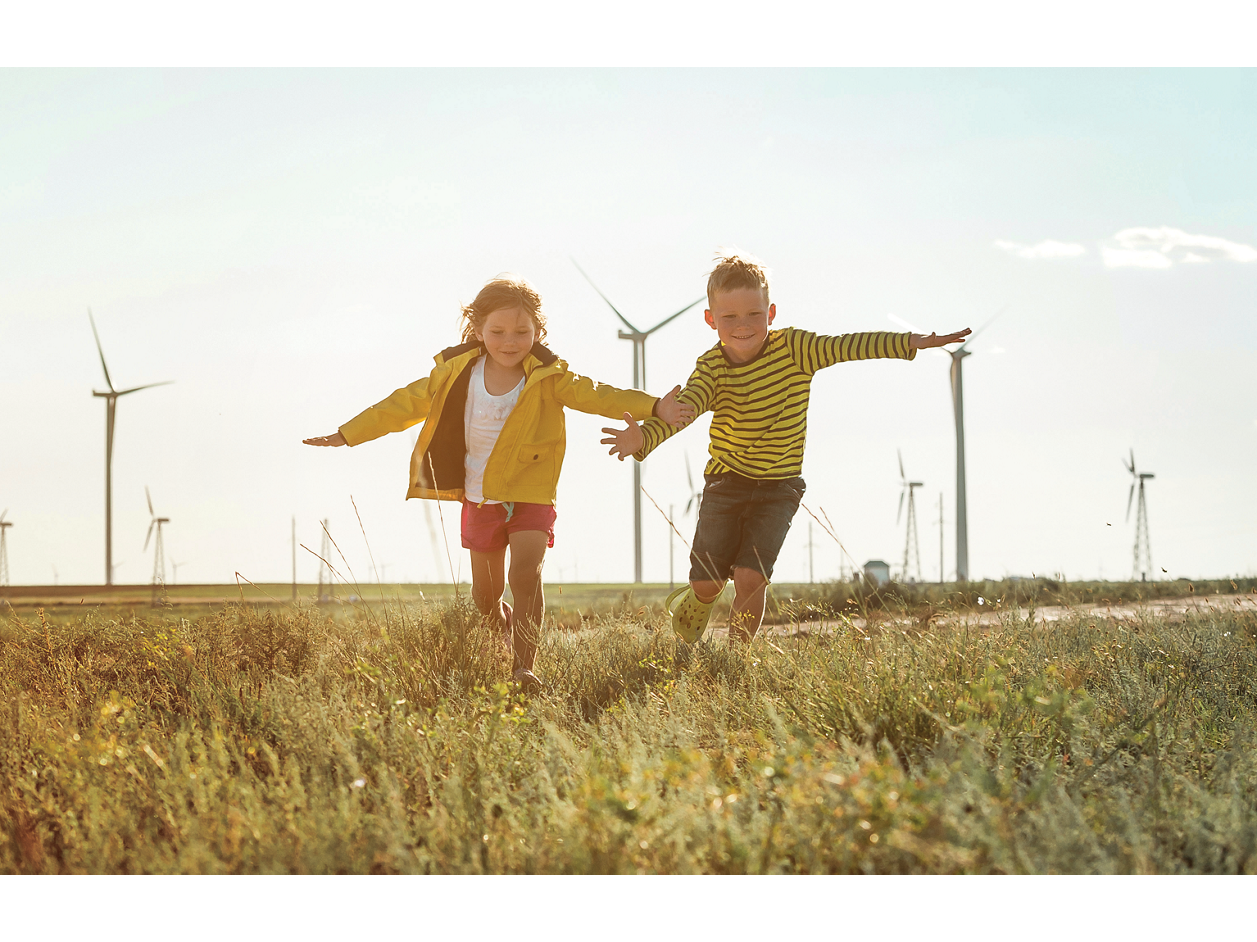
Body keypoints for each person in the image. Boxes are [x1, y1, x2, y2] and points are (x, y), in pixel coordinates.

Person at [305, 274, 694, 692]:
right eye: (498, 332)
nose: (510, 341)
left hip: (531, 493)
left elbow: (599, 394)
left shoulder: (549, 377)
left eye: (522, 332)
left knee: (525, 575)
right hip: (480, 497)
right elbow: (402, 403)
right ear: (478, 331)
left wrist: (654, 405)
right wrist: (348, 433)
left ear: (538, 332)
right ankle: (505, 626)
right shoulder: (455, 373)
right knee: (485, 599)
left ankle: (524, 667)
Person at [600, 252, 969, 645]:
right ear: (711, 320)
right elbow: (683, 410)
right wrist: (644, 437)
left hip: (780, 486)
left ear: (771, 312)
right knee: (708, 583)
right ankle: (700, 597)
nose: (743, 326)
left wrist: (910, 342)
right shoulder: (712, 367)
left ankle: (736, 655)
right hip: (726, 482)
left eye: (753, 315)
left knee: (750, 577)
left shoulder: (796, 348)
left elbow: (849, 346)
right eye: (730, 317)